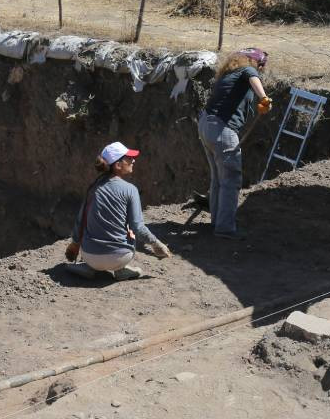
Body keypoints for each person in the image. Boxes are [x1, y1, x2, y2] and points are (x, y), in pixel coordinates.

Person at [66, 142, 171, 281]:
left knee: (91, 222)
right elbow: (137, 227)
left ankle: (89, 267)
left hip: (90, 256)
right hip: (120, 257)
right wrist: (156, 244)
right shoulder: (130, 189)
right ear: (118, 165)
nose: (133, 160)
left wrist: (74, 244)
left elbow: (80, 222)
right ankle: (120, 270)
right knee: (130, 228)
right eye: (128, 158)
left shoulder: (93, 188)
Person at [197, 48, 272, 239]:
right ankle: (225, 229)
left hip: (206, 124)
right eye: (261, 66)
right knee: (231, 179)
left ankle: (216, 222)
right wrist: (263, 98)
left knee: (219, 179)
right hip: (222, 129)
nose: (261, 70)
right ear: (256, 62)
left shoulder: (229, 73)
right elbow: (253, 77)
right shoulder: (247, 70)